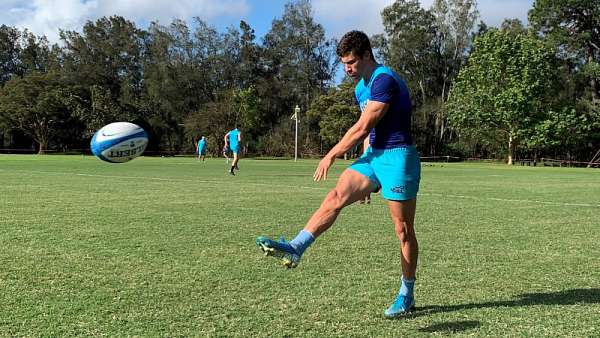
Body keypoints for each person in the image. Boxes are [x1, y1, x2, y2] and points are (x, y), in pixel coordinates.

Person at [256, 30, 421, 319]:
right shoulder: (361, 87)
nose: (347, 69)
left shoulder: (384, 80)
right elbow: (368, 132)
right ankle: (296, 247)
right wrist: (367, 176)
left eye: (351, 62)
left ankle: (406, 293)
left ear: (367, 55)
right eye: (344, 63)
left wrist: (331, 154)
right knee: (336, 195)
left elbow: (360, 127)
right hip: (374, 156)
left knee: (403, 231)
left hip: (398, 158)